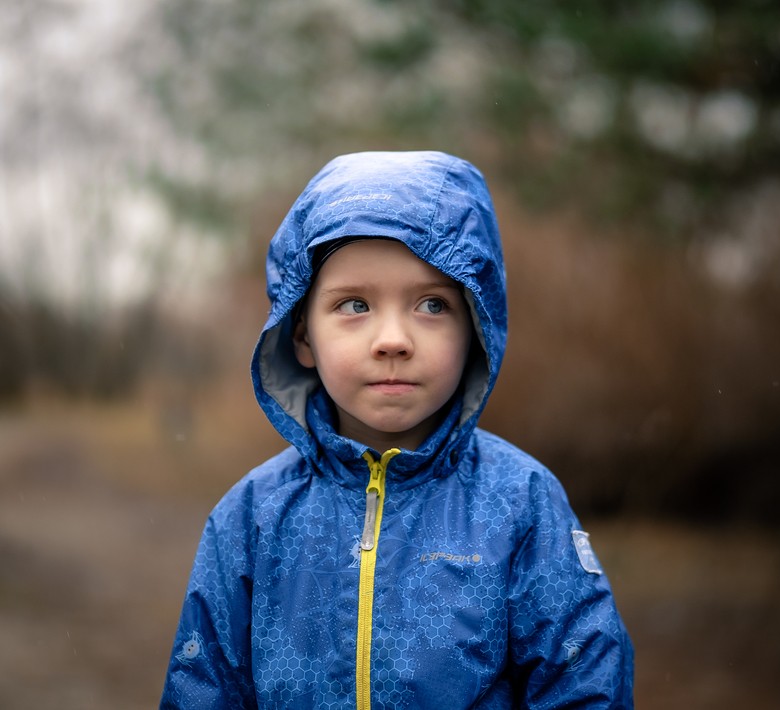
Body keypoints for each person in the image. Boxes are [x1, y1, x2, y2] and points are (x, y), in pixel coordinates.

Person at [160, 151, 634, 709]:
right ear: (302, 336)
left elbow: (584, 688)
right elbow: (204, 691)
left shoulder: (520, 503)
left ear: (476, 329)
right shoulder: (251, 517)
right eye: (354, 304)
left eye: (432, 304)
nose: (393, 339)